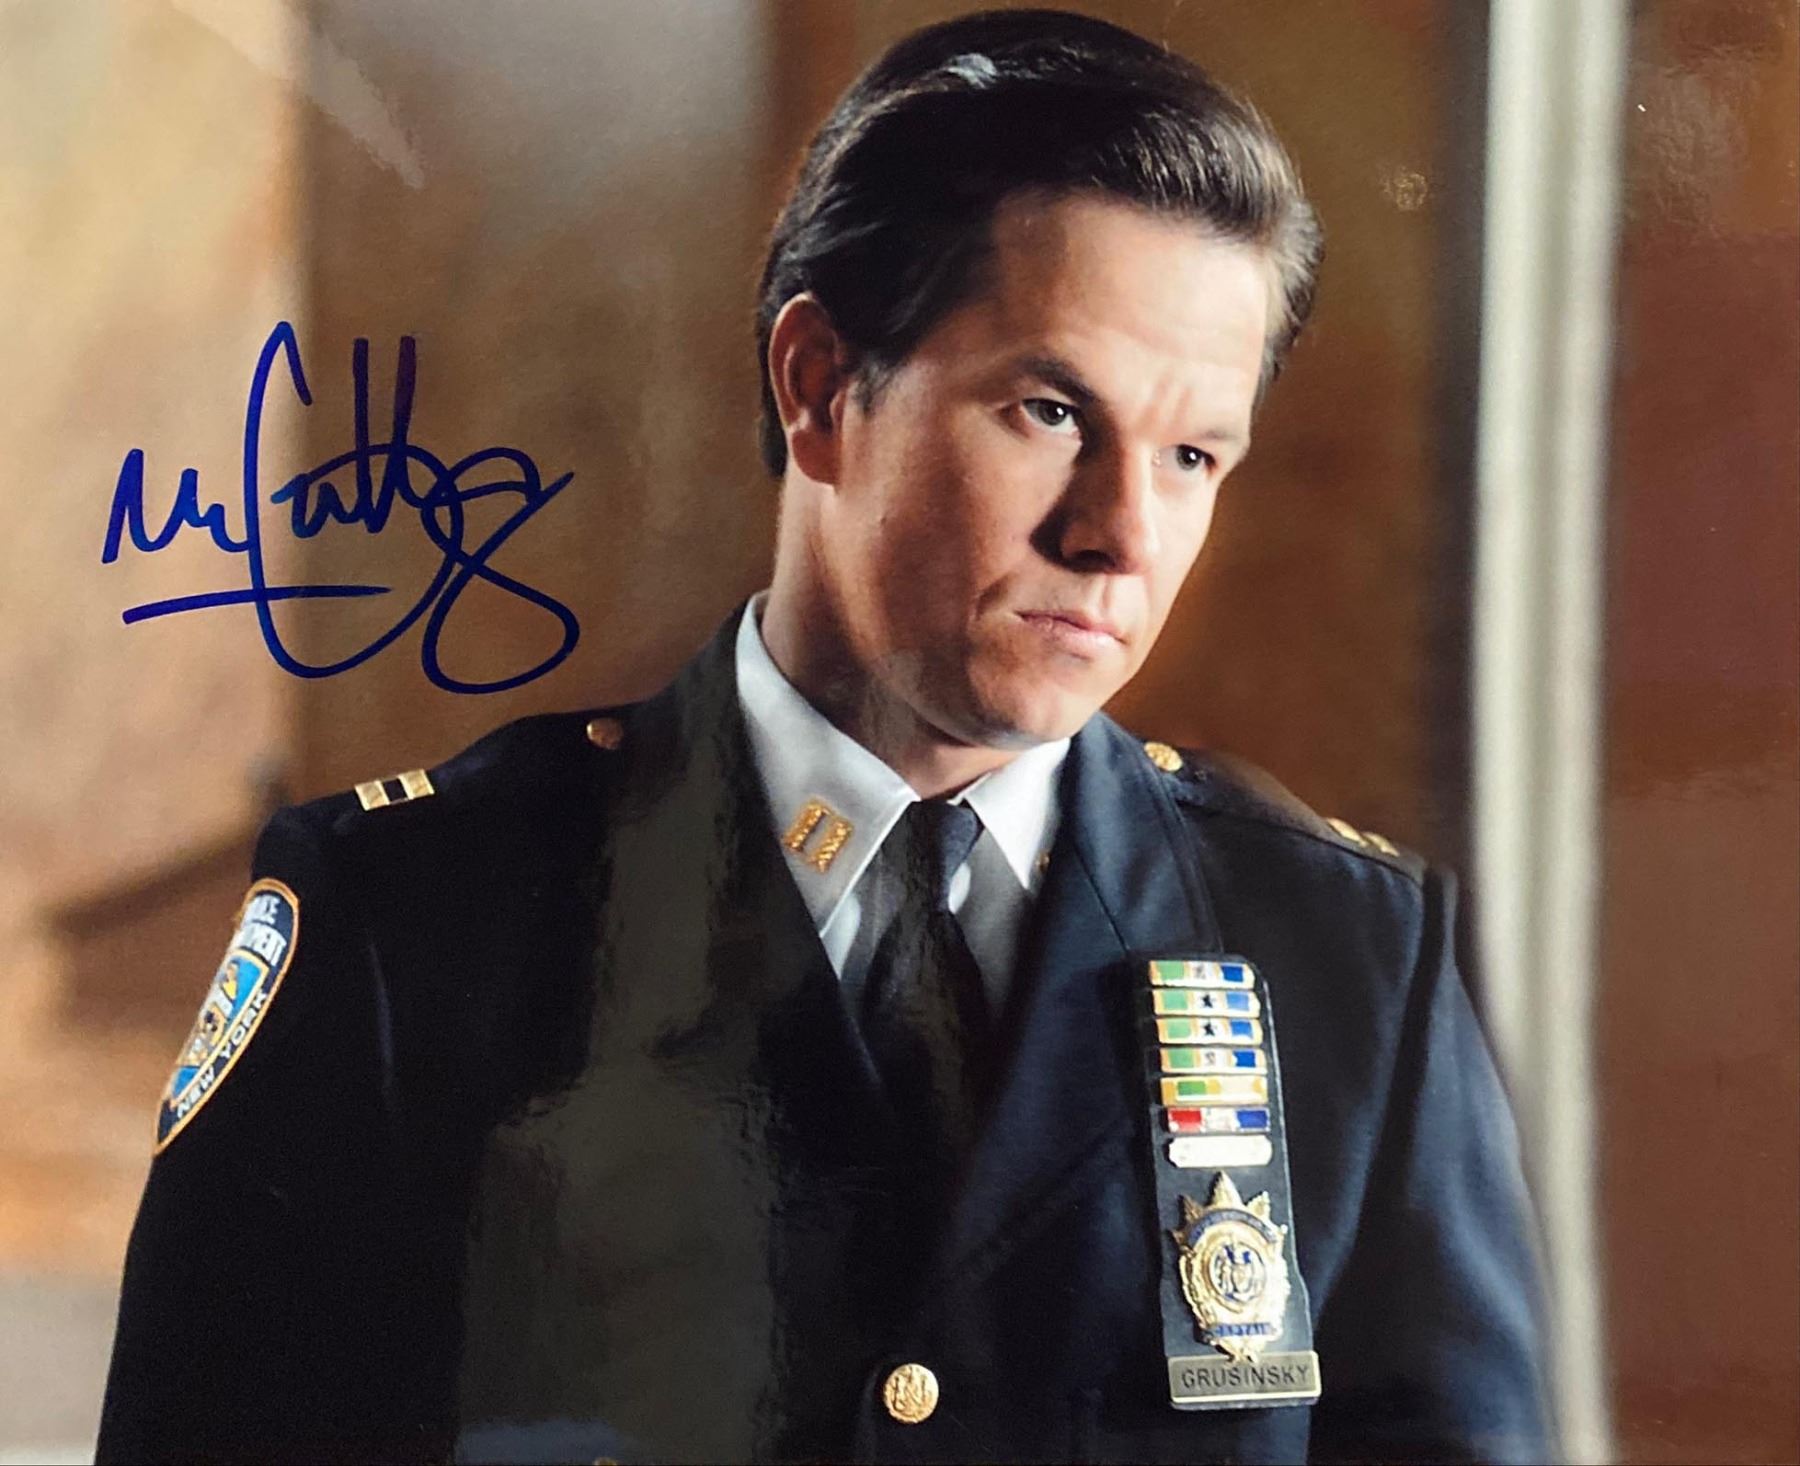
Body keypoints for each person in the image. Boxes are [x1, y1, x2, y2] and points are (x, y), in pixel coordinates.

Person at [97, 10, 1549, 1463]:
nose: (1121, 534)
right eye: (1050, 411)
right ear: (817, 386)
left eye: (1190, 455)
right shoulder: (409, 927)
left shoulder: (1348, 964)